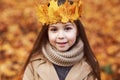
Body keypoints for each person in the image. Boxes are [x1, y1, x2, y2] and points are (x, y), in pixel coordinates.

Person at [22, 0, 101, 80]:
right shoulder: (34, 63)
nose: (61, 36)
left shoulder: (89, 64)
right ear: (47, 33)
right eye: (54, 30)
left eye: (67, 28)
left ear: (77, 31)